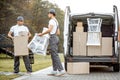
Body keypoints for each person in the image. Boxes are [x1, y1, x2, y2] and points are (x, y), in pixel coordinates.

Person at [38, 9, 65, 76]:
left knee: (55, 55)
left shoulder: (51, 21)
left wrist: (42, 33)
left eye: (48, 13)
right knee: (53, 55)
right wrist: (53, 34)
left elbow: (49, 30)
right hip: (55, 37)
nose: (48, 14)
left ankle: (61, 70)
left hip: (53, 38)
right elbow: (58, 32)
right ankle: (54, 70)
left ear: (51, 14)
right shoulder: (56, 21)